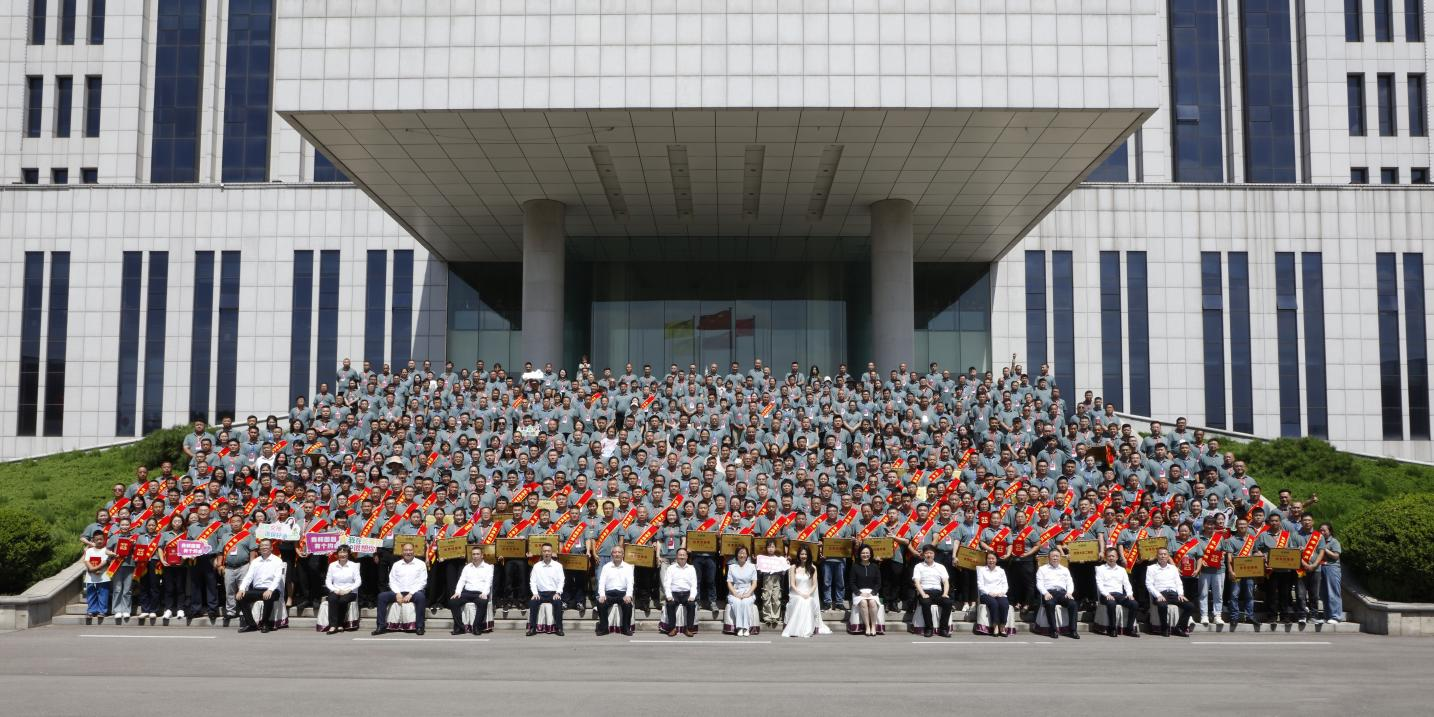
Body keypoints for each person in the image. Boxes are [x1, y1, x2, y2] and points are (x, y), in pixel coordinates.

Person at [372, 542, 429, 636]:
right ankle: (381, 626)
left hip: (414, 592)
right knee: (382, 596)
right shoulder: (396, 564)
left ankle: (419, 626)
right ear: (402, 552)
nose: (408, 552)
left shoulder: (421, 564)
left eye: (410, 550)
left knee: (421, 597)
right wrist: (398, 593)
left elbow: (423, 582)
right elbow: (392, 581)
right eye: (406, 550)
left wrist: (411, 594)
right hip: (398, 592)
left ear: (414, 551)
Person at [236, 539, 285, 634]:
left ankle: (265, 624)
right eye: (262, 546)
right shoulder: (255, 561)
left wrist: (270, 590)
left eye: (267, 545)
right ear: (259, 548)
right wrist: (241, 589)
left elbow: (278, 578)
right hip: (257, 590)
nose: (264, 547)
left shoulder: (277, 560)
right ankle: (251, 624)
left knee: (268, 597)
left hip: (272, 590)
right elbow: (248, 577)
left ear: (271, 548)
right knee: (240, 597)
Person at [782, 546, 830, 638]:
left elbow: (814, 585)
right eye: (802, 554)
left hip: (808, 593)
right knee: (800, 600)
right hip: (796, 593)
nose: (803, 556)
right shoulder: (793, 567)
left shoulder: (813, 568)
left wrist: (808, 593)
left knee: (807, 601)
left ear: (809, 555)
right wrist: (800, 593)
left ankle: (806, 630)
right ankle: (796, 629)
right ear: (798, 555)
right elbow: (792, 584)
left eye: (805, 554)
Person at [1145, 547, 1194, 636]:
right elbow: (1149, 584)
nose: (1163, 556)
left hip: (1173, 594)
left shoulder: (1173, 568)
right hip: (1160, 593)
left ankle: (1179, 628)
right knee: (1162, 605)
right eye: (1161, 554)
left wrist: (1180, 594)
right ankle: (1164, 628)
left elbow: (1178, 583)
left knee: (1190, 606)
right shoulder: (1151, 568)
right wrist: (1158, 595)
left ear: (1168, 556)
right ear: (1157, 556)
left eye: (1165, 554)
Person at [447, 545, 494, 635]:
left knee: (482, 602)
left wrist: (485, 593)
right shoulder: (467, 567)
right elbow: (462, 580)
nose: (475, 556)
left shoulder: (488, 567)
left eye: (477, 554)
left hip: (480, 593)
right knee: (453, 602)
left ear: (482, 555)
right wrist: (457, 592)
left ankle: (476, 627)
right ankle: (460, 628)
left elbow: (488, 582)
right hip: (467, 592)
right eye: (473, 554)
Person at [1095, 547, 1140, 637]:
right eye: (1109, 556)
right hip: (1106, 595)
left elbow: (1127, 583)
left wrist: (1130, 594)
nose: (1111, 558)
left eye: (1113, 556)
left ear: (1117, 558)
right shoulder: (1100, 569)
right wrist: (1107, 594)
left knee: (1134, 604)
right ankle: (1112, 629)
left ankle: (1129, 629)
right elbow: (1099, 584)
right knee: (1111, 603)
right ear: (1105, 558)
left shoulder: (1121, 570)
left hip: (1119, 595)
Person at [1035, 550, 1080, 639]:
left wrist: (1069, 592)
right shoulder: (1042, 569)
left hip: (1062, 593)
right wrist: (1045, 593)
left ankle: (1073, 630)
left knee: (1073, 604)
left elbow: (1070, 582)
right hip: (1049, 593)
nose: (1055, 558)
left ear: (1060, 558)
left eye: (1057, 556)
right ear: (1049, 558)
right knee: (1050, 604)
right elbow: (1039, 583)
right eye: (1053, 556)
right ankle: (1053, 630)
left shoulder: (1064, 569)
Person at [910, 545, 953, 638]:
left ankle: (943, 629)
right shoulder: (918, 566)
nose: (929, 555)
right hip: (925, 592)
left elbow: (946, 582)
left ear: (934, 554)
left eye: (931, 553)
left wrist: (945, 593)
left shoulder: (941, 567)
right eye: (926, 553)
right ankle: (929, 629)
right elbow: (917, 582)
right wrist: (923, 594)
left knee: (948, 602)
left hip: (938, 592)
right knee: (925, 603)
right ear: (923, 554)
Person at [526, 543, 566, 636]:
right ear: (542, 552)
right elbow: (532, 581)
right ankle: (532, 628)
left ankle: (559, 628)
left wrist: (558, 593)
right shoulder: (537, 566)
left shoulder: (558, 566)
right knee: (533, 602)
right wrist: (535, 593)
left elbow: (561, 581)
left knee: (558, 602)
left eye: (548, 551)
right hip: (540, 593)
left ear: (552, 552)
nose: (546, 553)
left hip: (553, 593)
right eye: (544, 551)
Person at [595, 545, 635, 636]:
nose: (617, 554)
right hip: (609, 593)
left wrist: (629, 595)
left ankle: (626, 628)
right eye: (614, 552)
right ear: (611, 554)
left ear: (623, 554)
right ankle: (604, 628)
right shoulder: (606, 567)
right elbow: (601, 582)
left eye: (619, 552)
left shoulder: (628, 567)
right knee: (601, 603)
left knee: (628, 605)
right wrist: (602, 595)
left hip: (622, 593)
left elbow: (630, 583)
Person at [322, 544, 361, 634]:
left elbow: (358, 581)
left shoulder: (353, 565)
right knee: (332, 599)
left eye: (345, 552)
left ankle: (340, 624)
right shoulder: (332, 565)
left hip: (350, 591)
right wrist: (334, 590)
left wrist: (349, 590)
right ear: (337, 554)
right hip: (336, 590)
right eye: (340, 552)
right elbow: (328, 581)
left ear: (348, 554)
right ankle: (333, 625)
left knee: (343, 600)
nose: (342, 554)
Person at [847, 543, 882, 636]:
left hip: (871, 592)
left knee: (872, 602)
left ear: (870, 554)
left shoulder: (875, 566)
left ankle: (873, 626)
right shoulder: (855, 566)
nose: (865, 555)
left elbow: (878, 583)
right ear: (859, 554)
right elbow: (852, 583)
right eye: (863, 553)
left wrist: (873, 592)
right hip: (859, 592)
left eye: (867, 553)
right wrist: (859, 593)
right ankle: (867, 626)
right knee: (863, 602)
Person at [664, 548, 699, 637]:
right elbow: (667, 583)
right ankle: (672, 628)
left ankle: (689, 629)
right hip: (674, 593)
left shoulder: (691, 568)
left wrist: (692, 596)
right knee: (670, 604)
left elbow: (694, 584)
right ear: (676, 556)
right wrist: (669, 595)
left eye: (684, 555)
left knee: (691, 604)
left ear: (687, 557)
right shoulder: (671, 568)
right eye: (680, 555)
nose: (682, 557)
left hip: (687, 593)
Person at [976, 551, 1011, 637]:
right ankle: (995, 626)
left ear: (996, 560)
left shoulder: (1001, 571)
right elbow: (980, 585)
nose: (991, 560)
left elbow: (1005, 584)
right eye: (989, 559)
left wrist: (1002, 593)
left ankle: (1002, 626)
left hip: (999, 593)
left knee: (1004, 604)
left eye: (993, 559)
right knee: (994, 603)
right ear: (986, 560)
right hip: (986, 594)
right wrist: (989, 593)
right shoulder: (982, 570)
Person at [725, 546, 759, 636]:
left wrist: (748, 594)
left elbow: (754, 583)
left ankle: (746, 628)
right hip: (735, 591)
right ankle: (740, 627)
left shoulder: (752, 566)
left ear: (747, 555)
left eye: (744, 553)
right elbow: (729, 583)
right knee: (737, 602)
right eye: (740, 553)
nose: (742, 555)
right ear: (737, 555)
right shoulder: (732, 567)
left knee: (745, 602)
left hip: (748, 591)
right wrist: (735, 593)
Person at [757, 539, 788, 629]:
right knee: (766, 596)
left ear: (775, 548)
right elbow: (759, 571)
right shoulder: (763, 558)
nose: (770, 549)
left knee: (776, 597)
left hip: (776, 578)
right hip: (767, 578)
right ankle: (767, 616)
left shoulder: (779, 559)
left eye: (772, 547)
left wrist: (785, 564)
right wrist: (759, 566)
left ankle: (775, 616)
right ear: (766, 548)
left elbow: (783, 572)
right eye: (769, 547)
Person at [82, 530, 113, 620]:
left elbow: (105, 562)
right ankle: (91, 611)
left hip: (103, 576)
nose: (99, 541)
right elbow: (86, 561)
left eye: (101, 539)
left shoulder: (106, 550)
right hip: (91, 576)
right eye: (97, 539)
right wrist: (92, 569)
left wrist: (94, 569)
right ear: (93, 540)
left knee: (103, 594)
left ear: (104, 539)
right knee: (91, 593)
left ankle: (102, 611)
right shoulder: (89, 550)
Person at [1318, 523, 1344, 624]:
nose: (1322, 532)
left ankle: (1336, 616)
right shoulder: (1318, 541)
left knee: (1333, 592)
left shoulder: (1334, 541)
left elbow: (1336, 556)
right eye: (1320, 530)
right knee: (1324, 593)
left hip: (1332, 568)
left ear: (1330, 531)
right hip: (1321, 567)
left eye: (1324, 530)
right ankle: (1327, 615)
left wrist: (1324, 549)